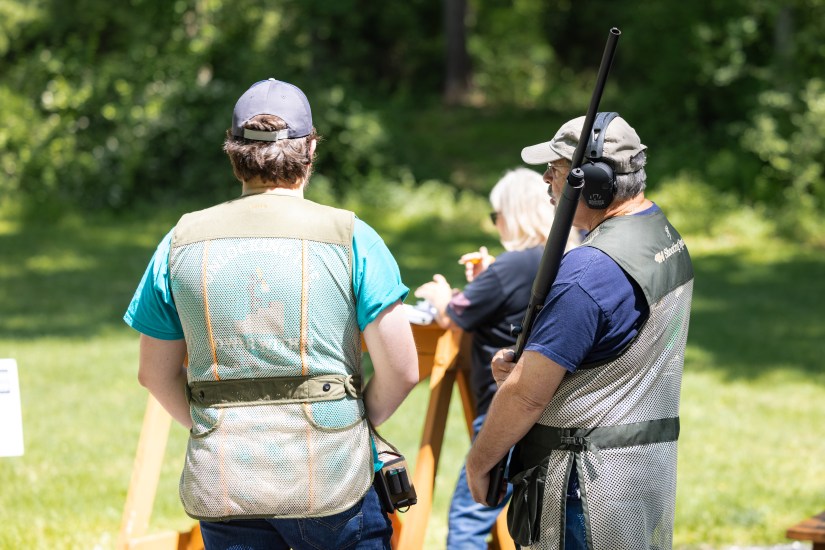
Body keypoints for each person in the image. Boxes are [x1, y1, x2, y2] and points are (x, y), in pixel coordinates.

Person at [123, 78, 419, 550]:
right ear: (311, 148)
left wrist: (215, 425)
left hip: (225, 478)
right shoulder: (351, 236)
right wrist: (356, 424)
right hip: (332, 476)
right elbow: (403, 370)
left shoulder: (180, 241)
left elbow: (153, 374)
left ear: (233, 152)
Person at [464, 114, 694, 550]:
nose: (546, 180)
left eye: (557, 169)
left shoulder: (588, 272)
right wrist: (527, 363)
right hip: (637, 474)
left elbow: (528, 395)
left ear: (595, 183)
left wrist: (479, 464)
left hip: (583, 488)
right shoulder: (661, 234)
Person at [414, 168, 579, 549]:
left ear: (513, 213)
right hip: (553, 402)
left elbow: (453, 314)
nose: (496, 223)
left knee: (470, 511)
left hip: (502, 402)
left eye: (496, 215)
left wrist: (441, 296)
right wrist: (484, 279)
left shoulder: (510, 265)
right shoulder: (564, 259)